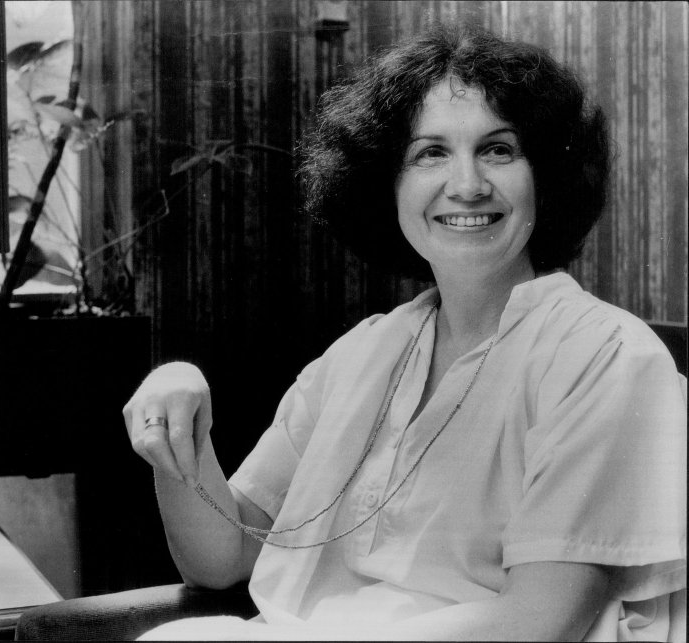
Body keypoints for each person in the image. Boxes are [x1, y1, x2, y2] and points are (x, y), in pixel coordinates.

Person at [124, 23, 686, 641]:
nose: (467, 184)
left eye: (499, 149)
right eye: (431, 153)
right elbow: (223, 556)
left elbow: (540, 624)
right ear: (385, 183)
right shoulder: (363, 352)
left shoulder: (608, 357)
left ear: (545, 177)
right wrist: (177, 426)